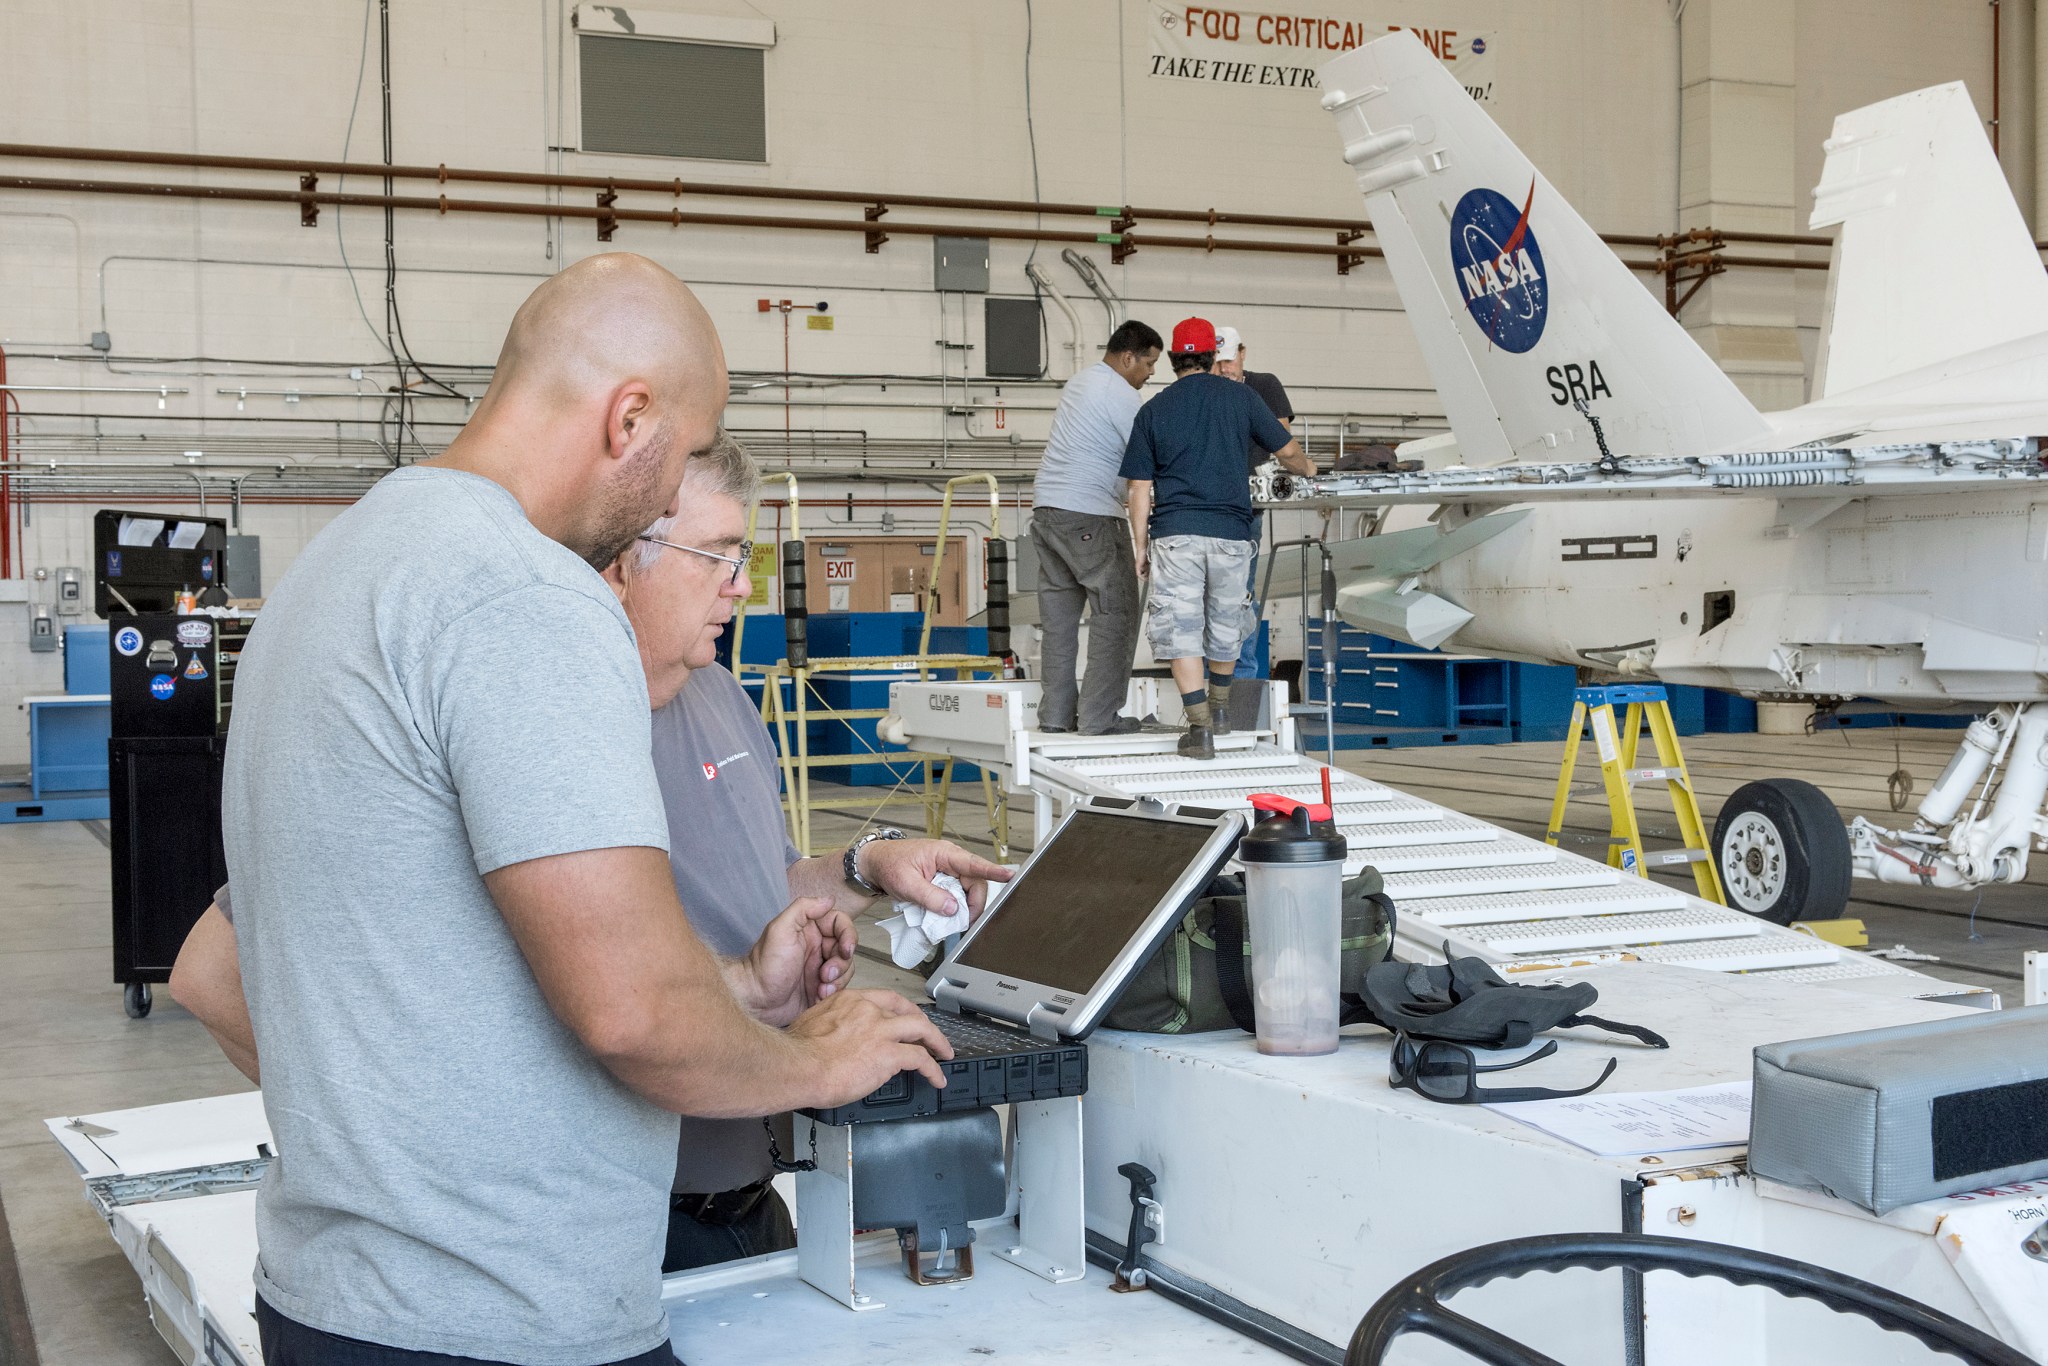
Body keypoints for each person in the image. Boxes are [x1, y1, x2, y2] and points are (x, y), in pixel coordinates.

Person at [216, 253, 954, 1366]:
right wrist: (815, 1060)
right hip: (498, 1316)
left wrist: (741, 985)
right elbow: (632, 1011)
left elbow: (453, 963)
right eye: (679, 467)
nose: (666, 502)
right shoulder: (523, 596)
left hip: (333, 1297)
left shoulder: (340, 568)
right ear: (628, 418)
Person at [172, 434, 1010, 1280]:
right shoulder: (523, 713)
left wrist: (864, 868)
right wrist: (394, 1162)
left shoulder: (718, 693)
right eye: (717, 556)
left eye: (743, 556)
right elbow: (211, 977)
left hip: (748, 1203)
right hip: (582, 1233)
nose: (743, 586)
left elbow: (754, 883)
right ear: (624, 558)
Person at [1120, 317, 1312, 761]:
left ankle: (1200, 727)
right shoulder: (1242, 397)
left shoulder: (1153, 409)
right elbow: (1287, 450)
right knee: (1227, 622)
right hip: (1232, 532)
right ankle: (1221, 710)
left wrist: (1139, 547)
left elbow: (1138, 488)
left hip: (1176, 534)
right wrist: (1309, 471)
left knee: (1180, 628)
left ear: (1172, 359)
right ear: (1211, 358)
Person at [1028, 320, 1164, 734]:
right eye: (1149, 363)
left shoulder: (1079, 383)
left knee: (1059, 623)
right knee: (1117, 612)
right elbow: (1150, 460)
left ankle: (1054, 717)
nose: (1151, 373)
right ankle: (1099, 718)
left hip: (1047, 511)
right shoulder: (1121, 395)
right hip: (1089, 514)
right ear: (1127, 358)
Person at [1213, 325, 1304, 687]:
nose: (1225, 369)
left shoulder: (1263, 385)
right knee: (1210, 596)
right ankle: (1212, 680)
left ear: (1243, 353)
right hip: (1210, 503)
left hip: (1247, 506)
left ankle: (1243, 680)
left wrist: (1306, 469)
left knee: (1242, 593)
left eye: (1229, 360)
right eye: (1217, 362)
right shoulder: (1205, 391)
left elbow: (1280, 437)